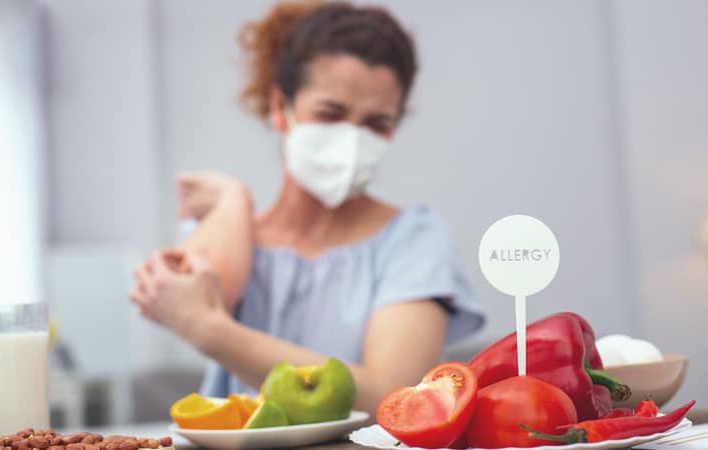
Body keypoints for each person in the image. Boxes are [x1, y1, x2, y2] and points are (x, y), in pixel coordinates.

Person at [130, 0, 484, 415]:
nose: (352, 139)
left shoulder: (415, 240)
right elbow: (183, 295)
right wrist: (233, 200)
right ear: (281, 108)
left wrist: (210, 332)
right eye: (331, 114)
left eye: (376, 123)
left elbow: (392, 393)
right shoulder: (233, 228)